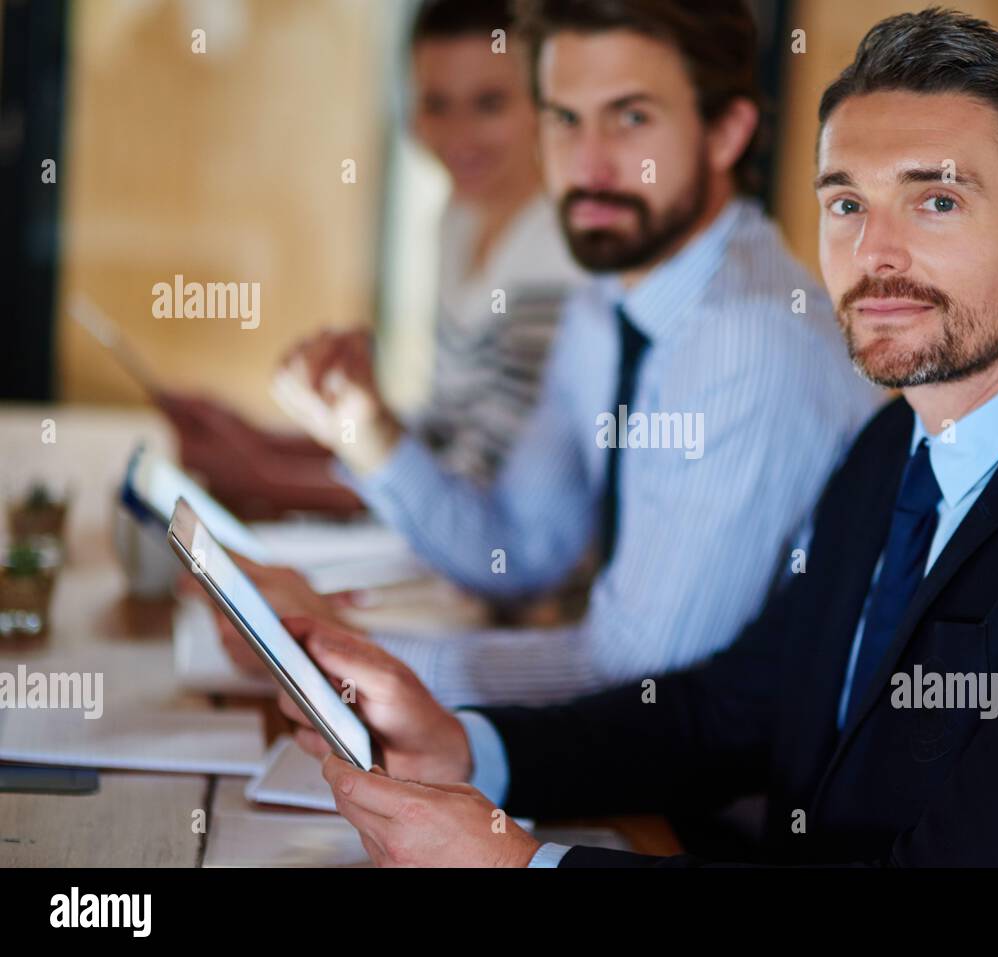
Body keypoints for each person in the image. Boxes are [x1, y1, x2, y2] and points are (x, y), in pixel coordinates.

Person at [275, 7, 998, 867]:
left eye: (935, 200)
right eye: (845, 203)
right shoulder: (893, 452)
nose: (875, 253)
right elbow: (731, 710)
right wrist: (473, 751)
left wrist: (524, 863)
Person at [232, 0, 883, 708]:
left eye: (631, 117)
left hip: (721, 808)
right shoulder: (605, 301)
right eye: (563, 118)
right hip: (631, 769)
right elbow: (519, 549)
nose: (589, 162)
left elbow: (639, 676)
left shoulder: (747, 339)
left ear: (726, 132)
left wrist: (341, 652)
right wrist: (369, 437)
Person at [157, 0, 584, 515]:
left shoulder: (557, 259)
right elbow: (440, 439)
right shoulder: (458, 218)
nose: (458, 134)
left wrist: (261, 477)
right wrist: (260, 441)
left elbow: (473, 487)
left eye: (489, 103)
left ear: (545, 104)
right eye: (436, 104)